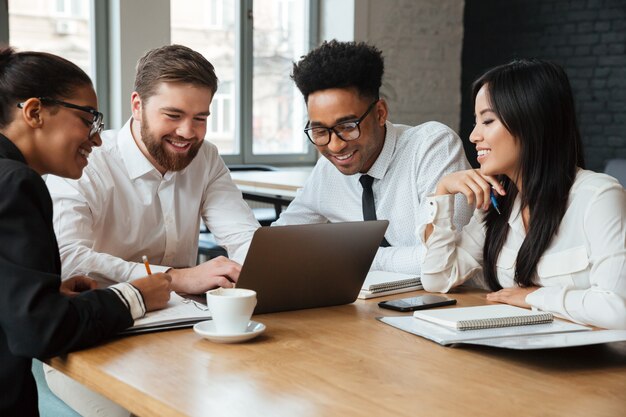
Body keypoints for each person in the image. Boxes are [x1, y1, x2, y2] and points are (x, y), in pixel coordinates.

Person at [0, 47, 172, 417]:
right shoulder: (16, 183)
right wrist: (134, 296)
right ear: (34, 112)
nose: (96, 139)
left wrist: (42, 293)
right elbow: (40, 331)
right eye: (89, 119)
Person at [420, 59, 626, 330]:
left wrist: (533, 296)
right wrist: (443, 191)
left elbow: (618, 308)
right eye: (476, 121)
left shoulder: (599, 197)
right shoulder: (499, 204)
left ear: (531, 121)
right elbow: (438, 278)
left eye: (488, 121)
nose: (473, 136)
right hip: (515, 351)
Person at [46, 44, 259, 292]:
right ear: (137, 106)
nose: (187, 132)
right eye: (173, 115)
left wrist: (248, 272)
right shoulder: (87, 161)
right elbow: (66, 257)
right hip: (109, 314)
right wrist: (174, 278)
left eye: (200, 118)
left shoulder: (206, 156)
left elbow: (243, 237)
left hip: (188, 313)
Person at [273, 40, 472, 274]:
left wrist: (349, 257)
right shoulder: (328, 171)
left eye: (347, 126)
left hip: (448, 304)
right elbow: (278, 241)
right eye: (320, 131)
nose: (335, 146)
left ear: (380, 113)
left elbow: (442, 260)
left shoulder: (432, 146)